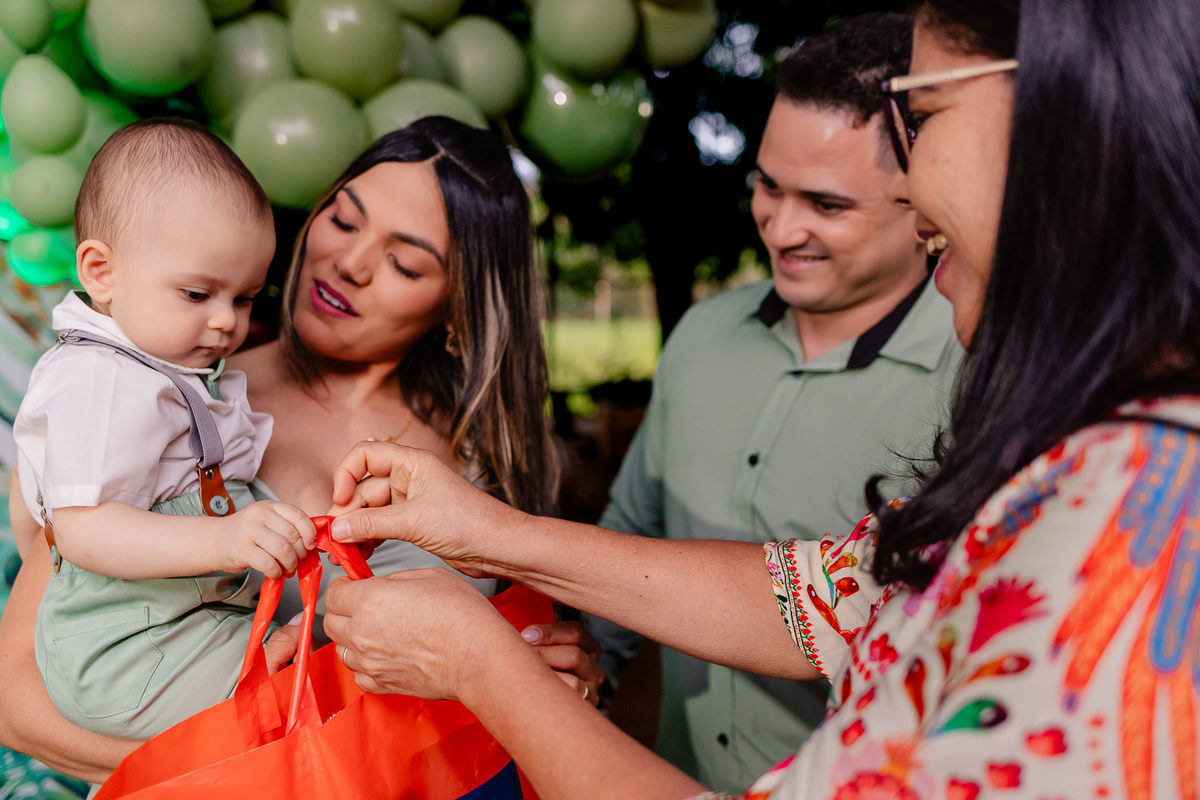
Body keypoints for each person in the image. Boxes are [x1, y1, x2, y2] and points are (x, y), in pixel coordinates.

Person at [320, 1, 1200, 798]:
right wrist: (488, 531)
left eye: (921, 117)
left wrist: (481, 666)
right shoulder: (1084, 455)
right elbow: (818, 596)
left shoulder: (1148, 526)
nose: (914, 174)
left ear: (1076, 118)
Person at [0, 116, 600, 785]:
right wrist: (277, 764)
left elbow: (500, 677)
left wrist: (549, 686)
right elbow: (16, 699)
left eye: (404, 262)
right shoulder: (174, 396)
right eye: (343, 221)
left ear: (459, 303)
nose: (350, 263)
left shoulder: (483, 456)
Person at [588, 13, 960, 791]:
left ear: (920, 200)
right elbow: (632, 527)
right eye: (767, 185)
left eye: (826, 205)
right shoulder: (701, 334)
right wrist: (581, 664)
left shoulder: (985, 377)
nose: (780, 227)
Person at [12, 118, 317, 740]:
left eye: (246, 297)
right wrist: (225, 541)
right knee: (294, 693)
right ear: (101, 273)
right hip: (124, 648)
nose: (227, 322)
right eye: (198, 292)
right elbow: (85, 531)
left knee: (299, 670)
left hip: (178, 626)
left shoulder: (167, 374)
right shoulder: (97, 379)